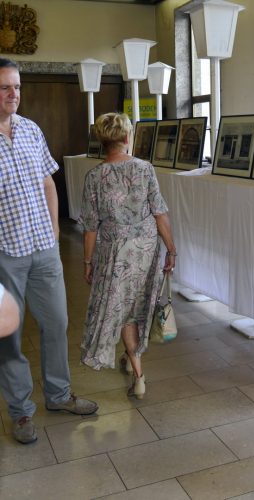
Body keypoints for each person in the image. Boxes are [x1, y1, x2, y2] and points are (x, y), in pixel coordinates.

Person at [0, 57, 98, 445]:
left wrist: (55, 229)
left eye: (18, 87)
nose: (14, 94)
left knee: (56, 324)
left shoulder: (31, 130)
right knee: (9, 336)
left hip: (43, 248)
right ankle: (21, 412)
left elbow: (48, 183)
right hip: (5, 253)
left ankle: (58, 395)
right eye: (6, 87)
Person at [79, 112, 176, 400]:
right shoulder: (145, 169)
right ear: (126, 138)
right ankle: (133, 360)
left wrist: (87, 262)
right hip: (146, 250)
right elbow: (160, 214)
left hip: (115, 254)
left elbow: (90, 228)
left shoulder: (94, 176)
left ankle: (139, 375)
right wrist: (171, 249)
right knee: (136, 307)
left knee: (123, 311)